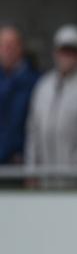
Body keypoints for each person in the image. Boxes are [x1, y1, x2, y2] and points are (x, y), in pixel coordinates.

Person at [25, 24, 77, 187]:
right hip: (47, 179)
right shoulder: (44, 85)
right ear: (55, 52)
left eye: (72, 51)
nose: (67, 55)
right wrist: (31, 169)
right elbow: (33, 129)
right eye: (63, 50)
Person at [0, 24, 39, 164]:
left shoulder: (36, 82)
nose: (7, 50)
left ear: (21, 47)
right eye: (3, 45)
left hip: (20, 162)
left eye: (12, 44)